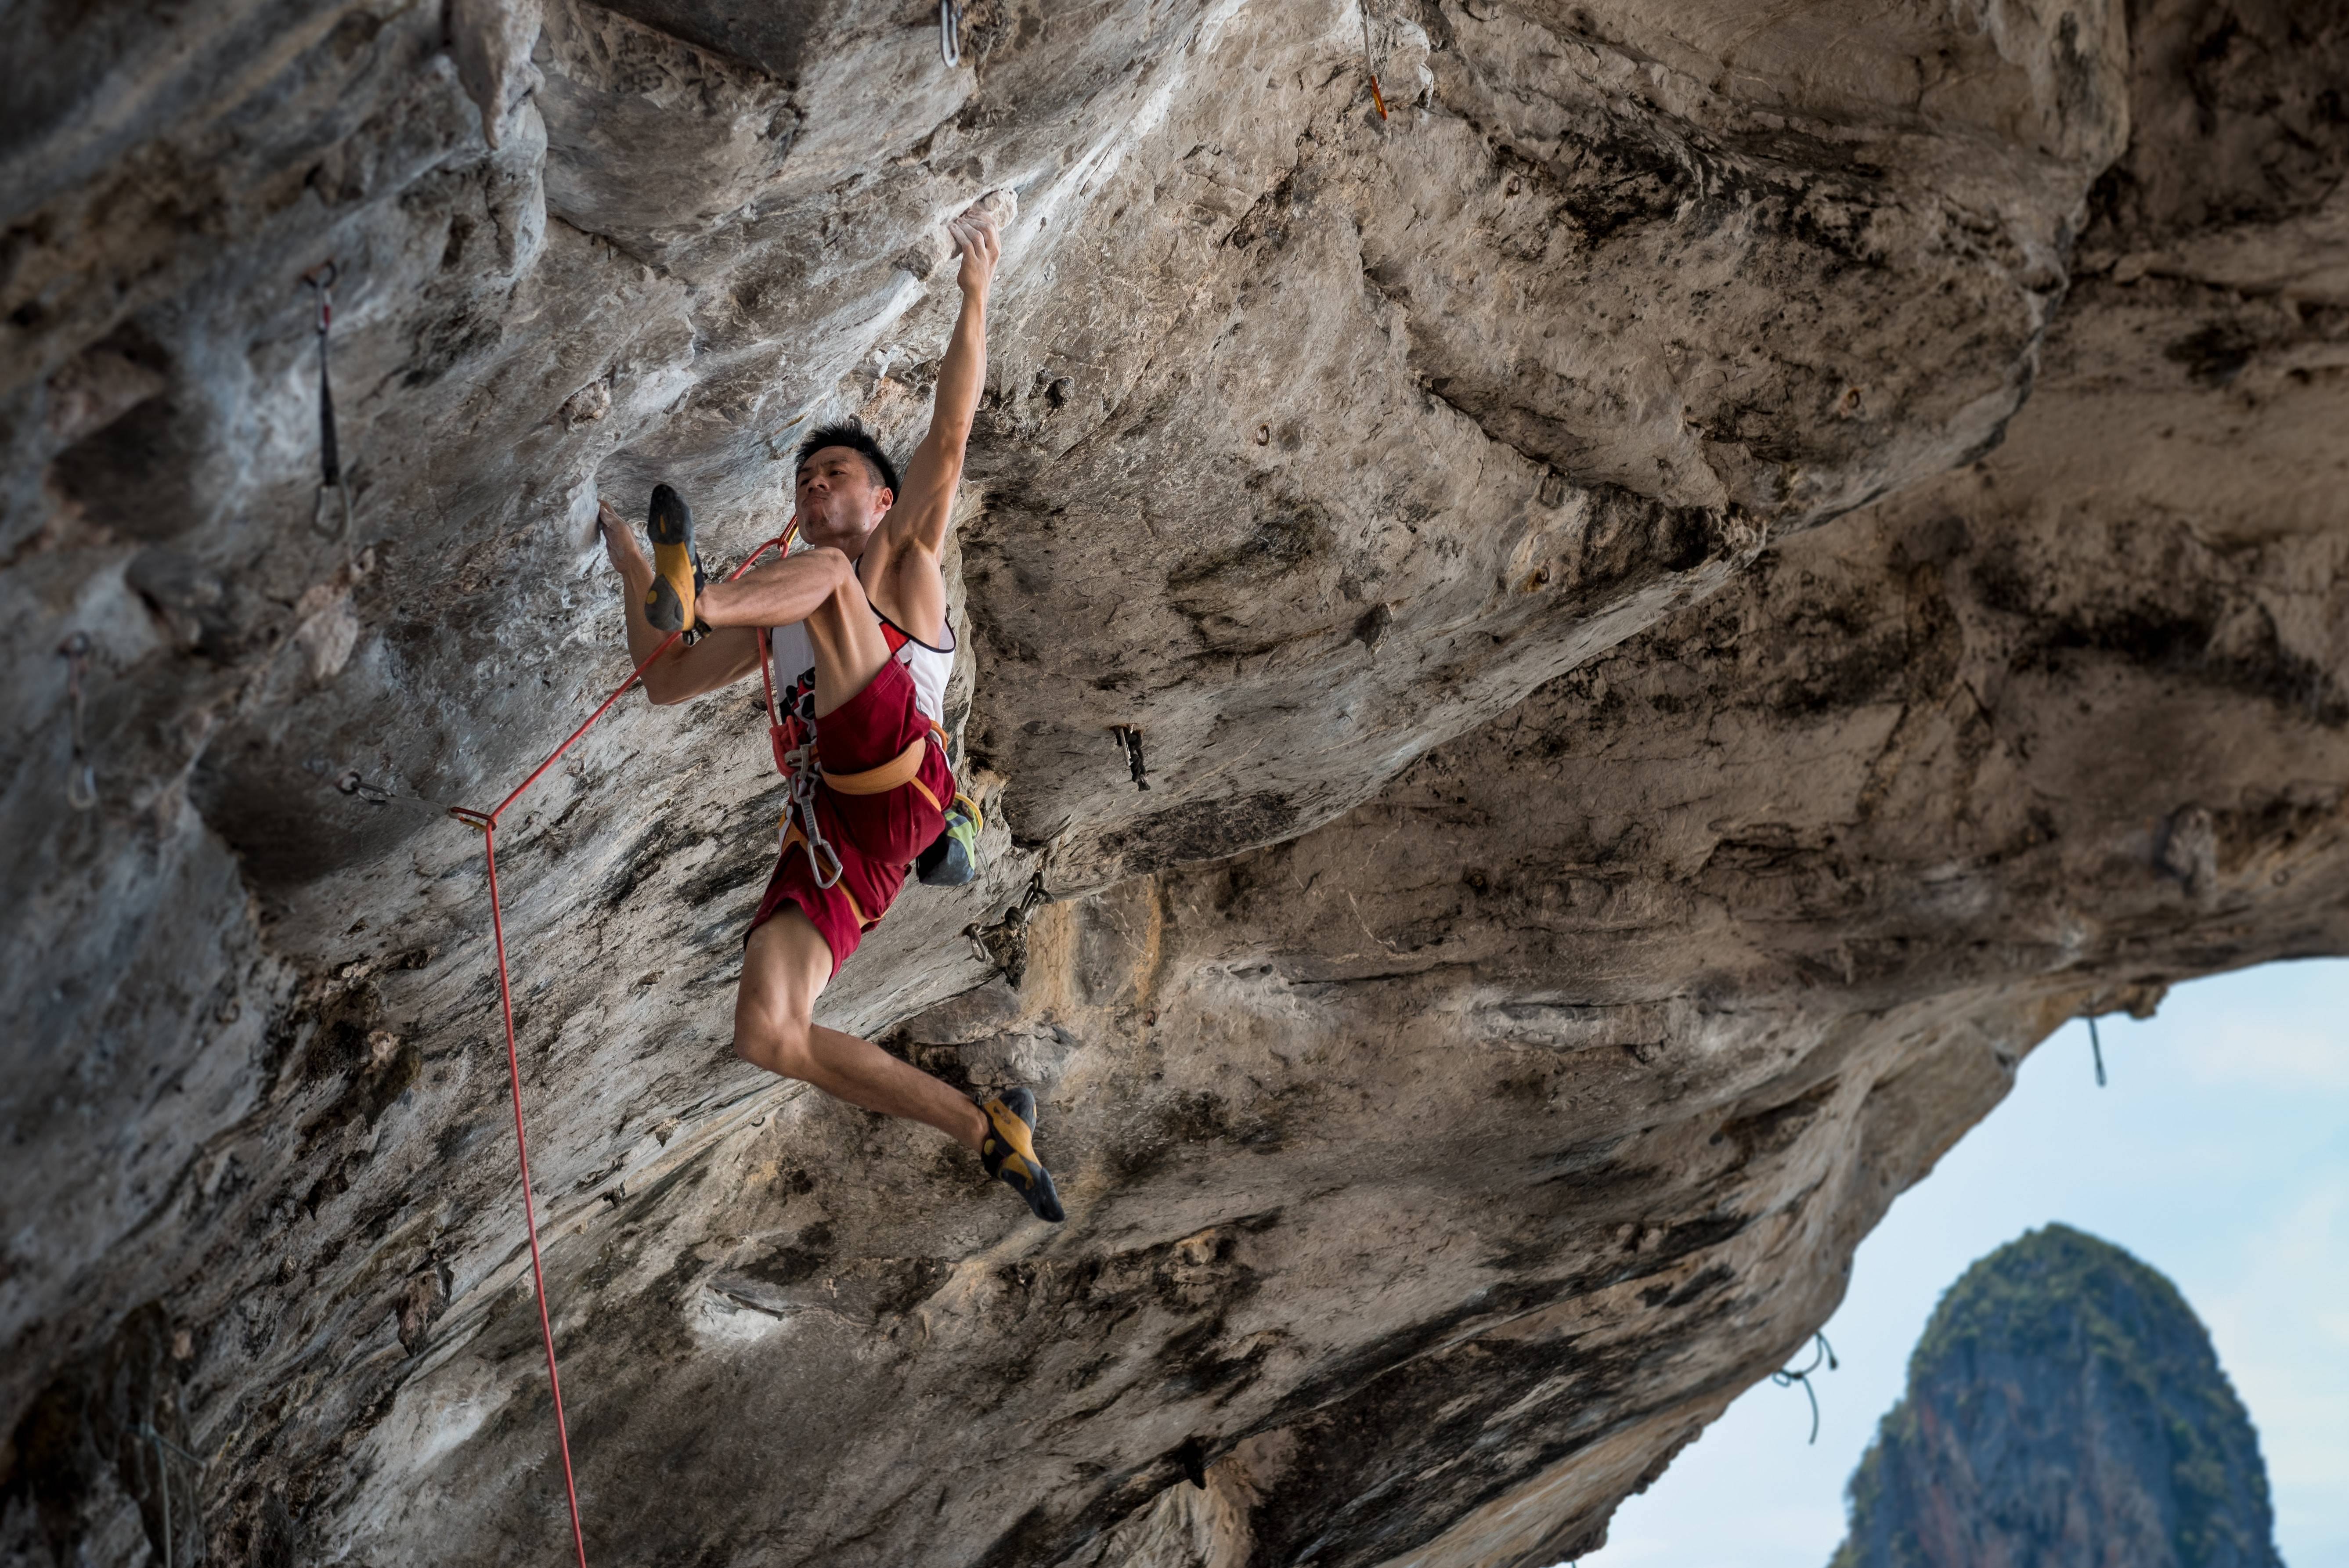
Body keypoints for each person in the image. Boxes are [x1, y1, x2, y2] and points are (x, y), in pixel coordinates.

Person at [594, 201, 1061, 1222]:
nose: (815, 486)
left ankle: (697, 591)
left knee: (825, 583)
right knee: (769, 1032)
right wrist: (628, 556)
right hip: (849, 839)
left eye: (835, 474)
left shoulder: (898, 560)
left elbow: (950, 429)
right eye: (806, 482)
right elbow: (665, 682)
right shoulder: (787, 615)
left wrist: (975, 286)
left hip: (902, 774)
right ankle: (987, 1129)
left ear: (883, 499)